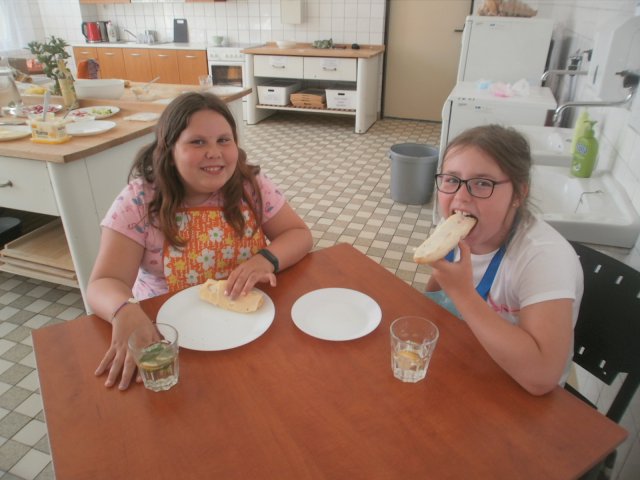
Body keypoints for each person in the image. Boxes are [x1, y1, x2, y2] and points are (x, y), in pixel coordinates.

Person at [87, 91, 313, 390]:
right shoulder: (139, 200)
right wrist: (123, 310)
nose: (214, 152)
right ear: (169, 150)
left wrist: (266, 260)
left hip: (248, 323)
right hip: (167, 332)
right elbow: (104, 282)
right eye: (197, 142)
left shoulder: (250, 186)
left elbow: (298, 234)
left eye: (224, 140)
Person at [424, 124, 583, 395]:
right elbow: (434, 299)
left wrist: (463, 294)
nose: (460, 197)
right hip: (466, 358)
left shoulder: (544, 258)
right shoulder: (453, 230)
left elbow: (542, 377)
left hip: (518, 391)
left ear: (519, 193)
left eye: (482, 183)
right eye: (451, 179)